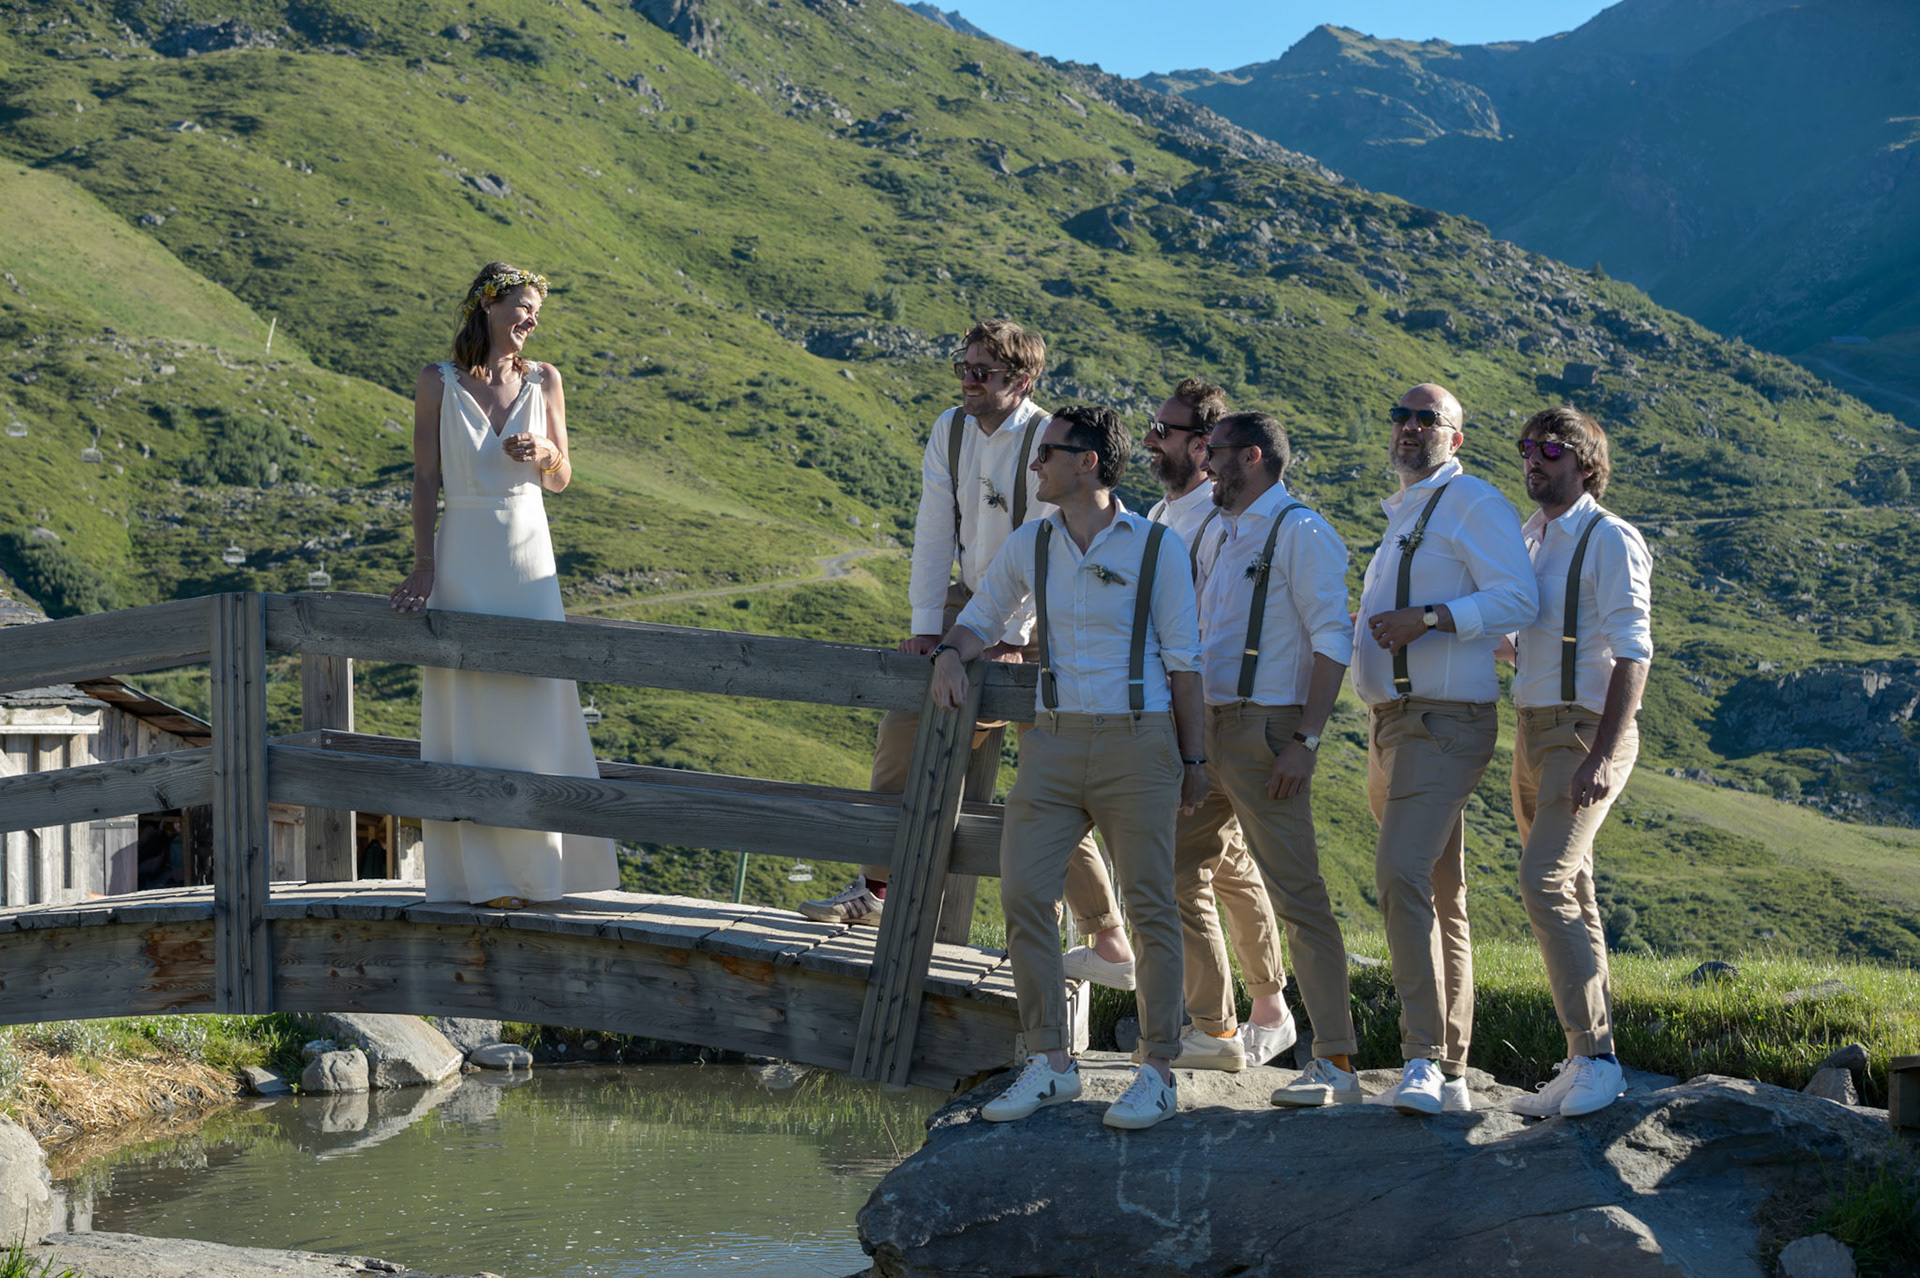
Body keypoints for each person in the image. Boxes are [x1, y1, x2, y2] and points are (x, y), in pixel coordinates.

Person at [799, 321, 1134, 992]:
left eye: (982, 370)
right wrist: (929, 626)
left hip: (1050, 616)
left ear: (1022, 380)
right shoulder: (949, 430)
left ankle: (1107, 936)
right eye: (964, 366)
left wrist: (1011, 637)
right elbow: (933, 528)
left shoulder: (1049, 439)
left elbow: (1052, 544)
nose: (967, 379)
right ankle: (878, 888)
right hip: (970, 601)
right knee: (904, 732)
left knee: (1051, 776)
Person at [929, 404, 1204, 1131]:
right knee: (1022, 893)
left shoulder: (1155, 547)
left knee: (1150, 907)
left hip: (1138, 744)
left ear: (1087, 461)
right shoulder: (1034, 541)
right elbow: (984, 614)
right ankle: (1052, 1063)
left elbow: (1184, 664)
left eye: (1047, 452)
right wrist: (951, 654)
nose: (1034, 463)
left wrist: (1194, 760)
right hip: (1050, 745)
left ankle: (1159, 1070)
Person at [388, 262, 615, 908]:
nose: (530, 320)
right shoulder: (437, 382)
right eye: (521, 306)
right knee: (472, 707)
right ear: (487, 307)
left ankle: (544, 872)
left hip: (528, 558)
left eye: (536, 310)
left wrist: (544, 455)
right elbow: (425, 480)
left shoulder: (546, 380)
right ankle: (480, 879)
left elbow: (563, 475)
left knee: (536, 705)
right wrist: (424, 565)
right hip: (463, 554)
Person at [1353, 383, 1537, 1115]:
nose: (1410, 427)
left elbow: (1517, 599)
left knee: (1400, 874)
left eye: (1429, 419)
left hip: (1443, 721)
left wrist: (1430, 617)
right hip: (1392, 724)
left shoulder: (1473, 503)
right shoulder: (1407, 514)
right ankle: (1454, 1069)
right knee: (1439, 891)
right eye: (1400, 415)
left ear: (1455, 440)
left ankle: (1422, 1057)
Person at [1194, 411, 1367, 1106]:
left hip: (1267, 732)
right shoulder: (1218, 530)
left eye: (1216, 454)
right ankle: (1216, 1030)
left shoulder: (1302, 533)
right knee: (1171, 870)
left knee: (1300, 896)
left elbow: (1333, 643)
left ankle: (1338, 1062)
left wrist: (1306, 741)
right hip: (1204, 729)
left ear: (1254, 458)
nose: (1205, 464)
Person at [1502, 407, 1652, 1118]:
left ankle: (1596, 1061)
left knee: (1544, 883)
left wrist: (1600, 754)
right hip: (1532, 733)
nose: (1535, 459)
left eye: (1551, 449)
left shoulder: (1608, 537)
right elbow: (1531, 639)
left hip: (1584, 735)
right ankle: (1586, 1056)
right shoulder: (1530, 540)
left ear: (1585, 463)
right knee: (1575, 892)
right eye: (1528, 448)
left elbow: (1634, 652)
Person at [1146, 383, 1296, 1072]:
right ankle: (1265, 1006)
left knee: (1191, 861)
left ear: (1204, 445)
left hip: (1207, 710)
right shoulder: (1166, 511)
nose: (1152, 439)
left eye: (1166, 430)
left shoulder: (1215, 519)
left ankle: (1222, 1024)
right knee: (1224, 858)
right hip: (1185, 707)